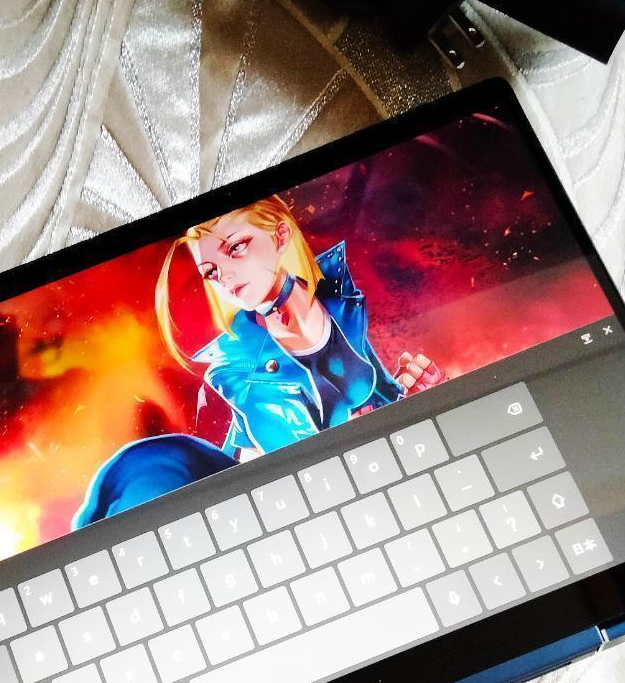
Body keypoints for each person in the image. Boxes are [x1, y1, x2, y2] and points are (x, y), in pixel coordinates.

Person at [73, 195, 444, 527]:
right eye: (210, 271)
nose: (224, 277)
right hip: (268, 511)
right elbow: (309, 468)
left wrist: (411, 392)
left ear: (280, 236)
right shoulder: (237, 370)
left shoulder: (339, 299)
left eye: (236, 248)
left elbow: (375, 398)